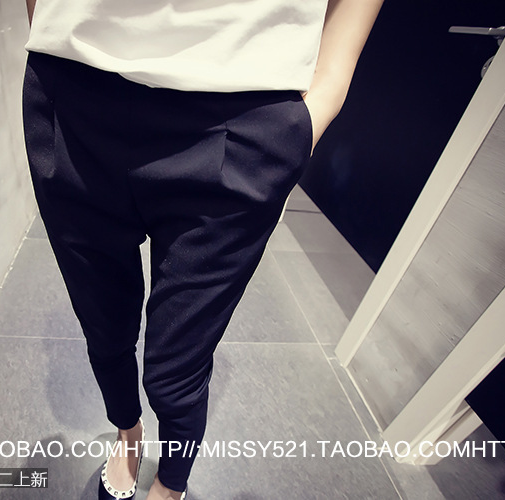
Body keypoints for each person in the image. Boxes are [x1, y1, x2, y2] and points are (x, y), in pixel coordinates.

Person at [21, 1, 384, 499]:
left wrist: (320, 100)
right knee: (103, 328)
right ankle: (128, 435)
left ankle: (172, 482)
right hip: (73, 98)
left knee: (178, 367)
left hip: (243, 113)